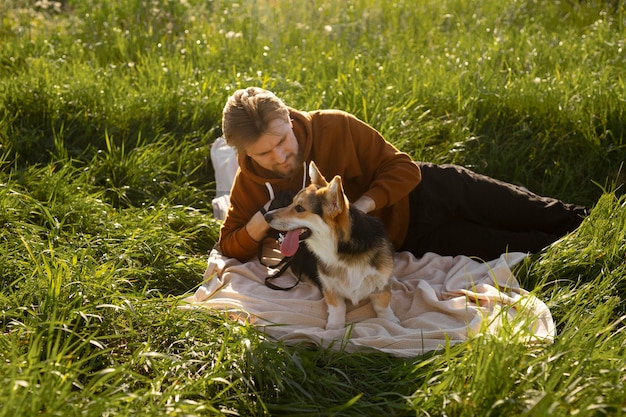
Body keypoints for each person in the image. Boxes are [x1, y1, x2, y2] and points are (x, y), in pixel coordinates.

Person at [217, 86, 588, 262]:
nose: (281, 156)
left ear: (288, 118)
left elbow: (403, 168)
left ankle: (598, 221)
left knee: (541, 211)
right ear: (243, 154)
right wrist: (264, 223)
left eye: (283, 140)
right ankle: (583, 251)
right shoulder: (250, 184)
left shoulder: (334, 126)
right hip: (410, 238)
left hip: (431, 190)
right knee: (525, 246)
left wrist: (358, 206)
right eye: (264, 153)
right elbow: (229, 244)